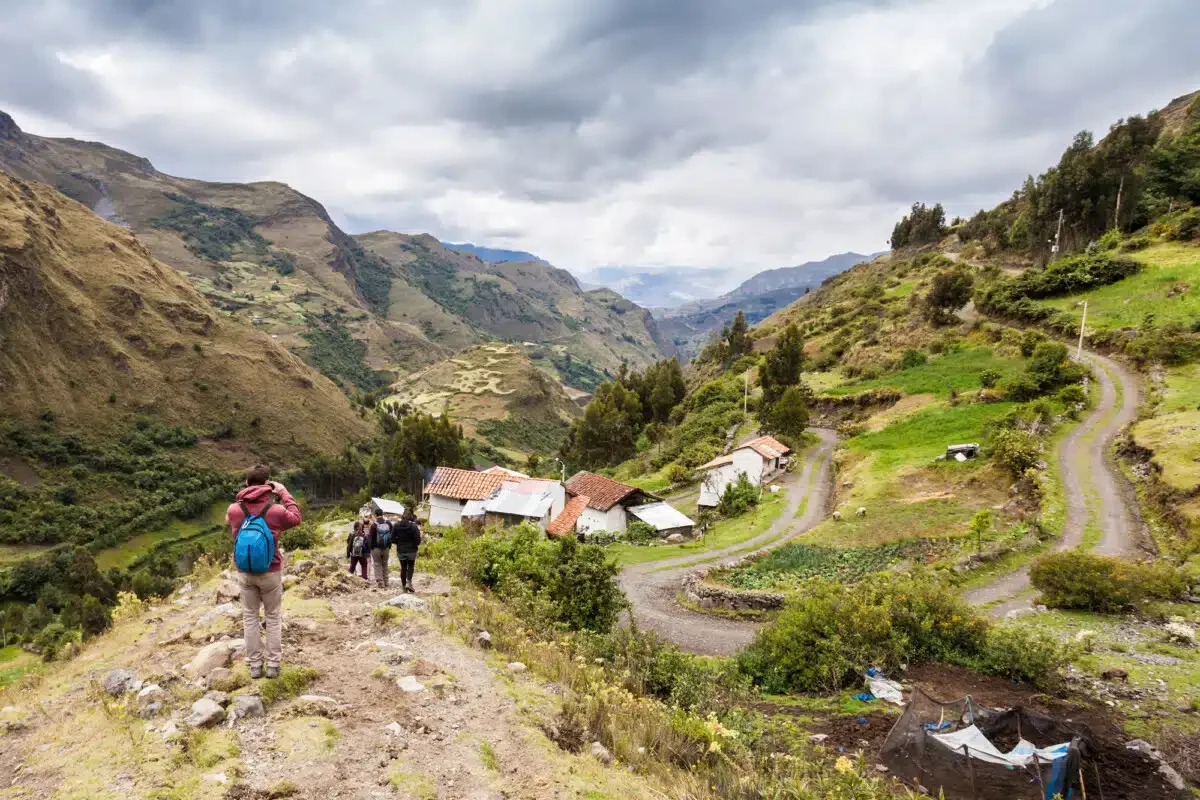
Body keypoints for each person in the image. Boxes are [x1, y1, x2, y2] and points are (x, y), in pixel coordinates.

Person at [226, 464, 302, 679]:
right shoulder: (276, 511)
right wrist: (283, 492)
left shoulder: (234, 510)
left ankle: (255, 666)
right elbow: (296, 517)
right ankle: (273, 666)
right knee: (273, 616)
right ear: (268, 484)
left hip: (245, 572)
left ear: (247, 484)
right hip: (271, 570)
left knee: (249, 616)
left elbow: (228, 522)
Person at [393, 509, 422, 593]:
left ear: (403, 515)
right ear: (411, 516)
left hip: (401, 550)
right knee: (411, 566)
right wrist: (413, 543)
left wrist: (399, 542)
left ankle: (403, 586)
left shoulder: (396, 525)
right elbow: (418, 541)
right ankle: (409, 582)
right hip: (412, 550)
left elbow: (392, 539)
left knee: (403, 568)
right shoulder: (414, 527)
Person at [367, 511, 393, 589]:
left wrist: (370, 548)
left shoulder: (374, 525)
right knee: (385, 564)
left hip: (376, 549)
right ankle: (386, 582)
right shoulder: (388, 523)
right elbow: (391, 534)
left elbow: (370, 538)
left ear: (375, 515)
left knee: (377, 564)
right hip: (386, 548)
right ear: (382, 514)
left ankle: (380, 583)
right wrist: (389, 545)